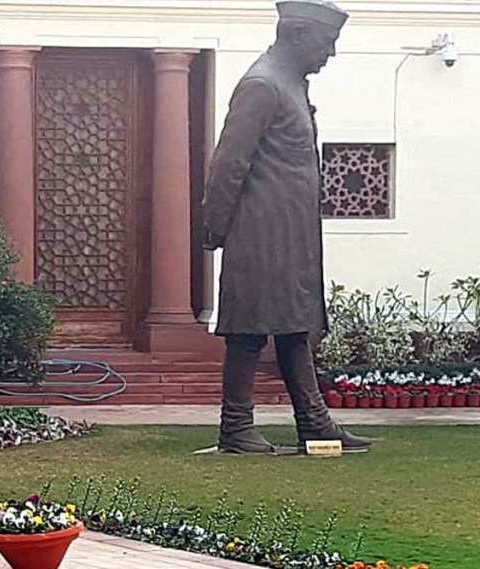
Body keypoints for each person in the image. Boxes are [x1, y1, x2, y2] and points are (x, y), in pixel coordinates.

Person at [203, 0, 370, 454]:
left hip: (292, 237)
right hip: (260, 236)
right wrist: (216, 225)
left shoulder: (289, 84)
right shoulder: (263, 85)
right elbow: (228, 163)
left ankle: (314, 423)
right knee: (248, 330)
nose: (330, 53)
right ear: (298, 36)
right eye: (326, 42)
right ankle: (236, 427)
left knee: (296, 327)